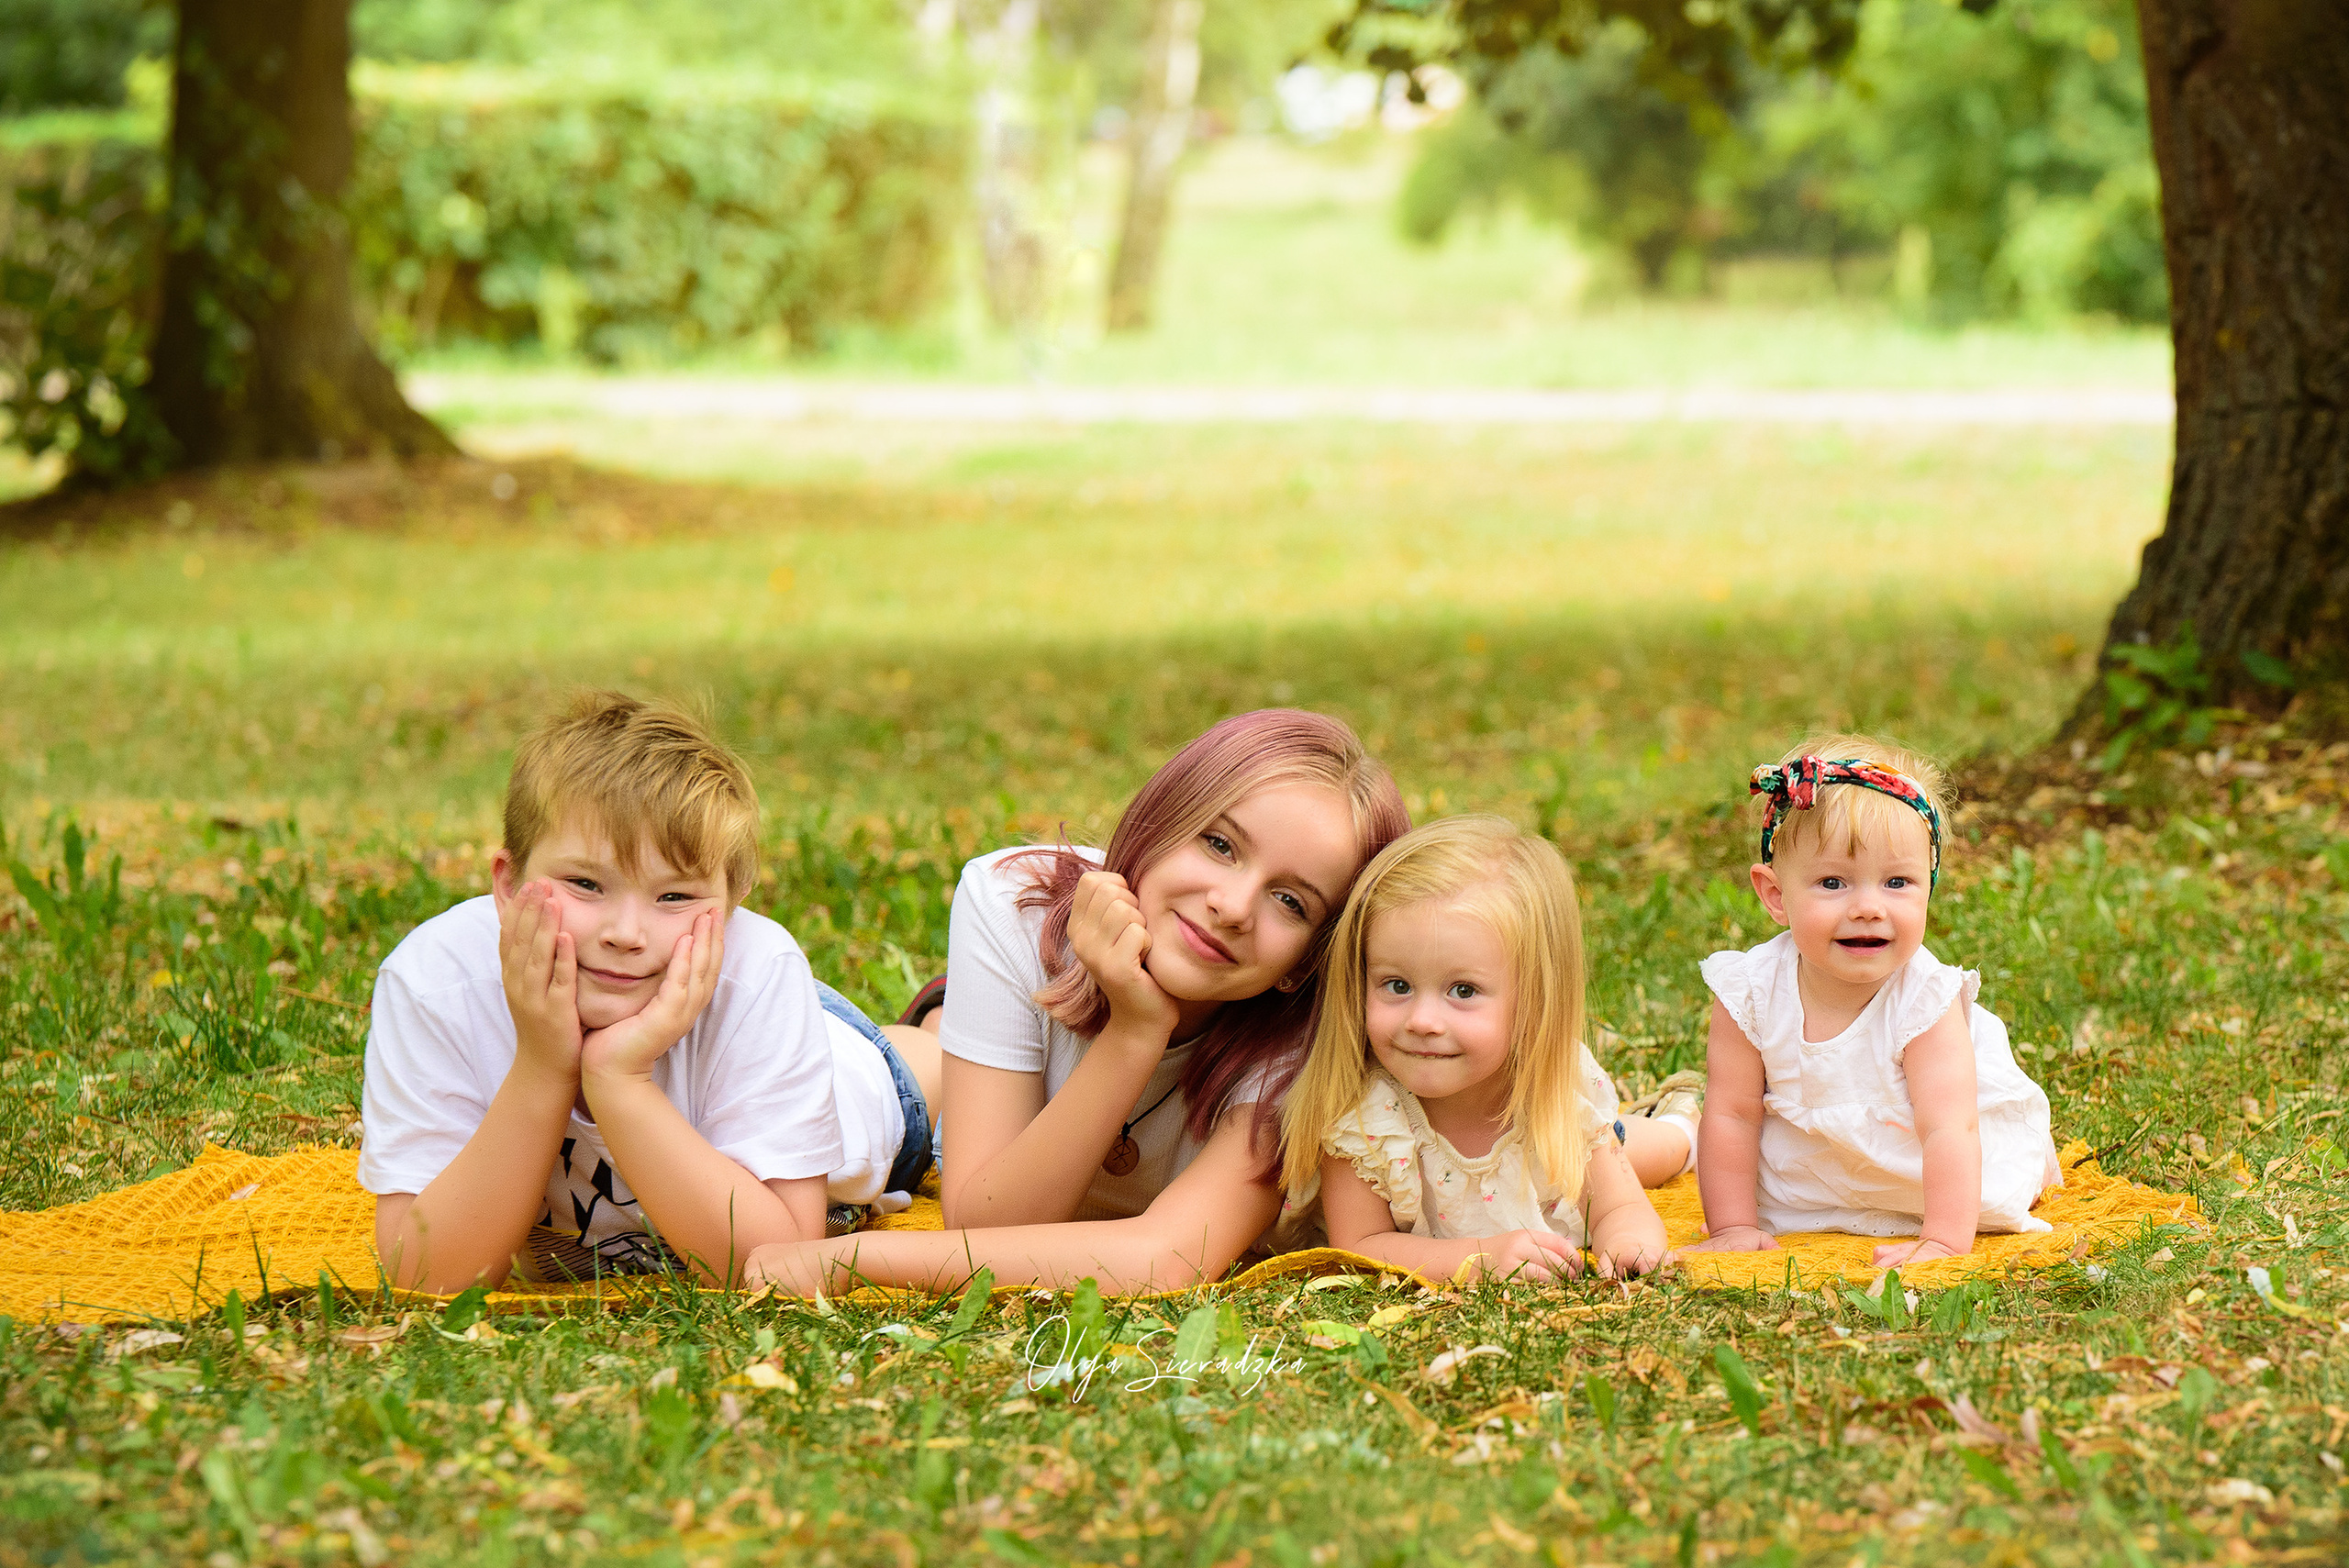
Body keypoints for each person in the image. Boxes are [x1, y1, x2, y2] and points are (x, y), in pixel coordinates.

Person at [746, 708, 1409, 1296]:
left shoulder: (1308, 1052)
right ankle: (947, 1022)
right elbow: (983, 1223)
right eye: (1220, 844)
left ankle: (948, 1023)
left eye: (1290, 901)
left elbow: (1165, 1258)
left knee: (936, 1077)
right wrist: (1131, 1034)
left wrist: (855, 1260)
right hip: (1020, 1035)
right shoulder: (1013, 901)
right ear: (1161, 821)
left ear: (1309, 962)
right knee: (905, 1083)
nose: (1232, 906)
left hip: (1035, 1104)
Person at [359, 692, 939, 1292]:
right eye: (586, 884)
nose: (626, 933)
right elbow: (423, 1273)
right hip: (685, 987)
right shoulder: (434, 983)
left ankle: (936, 1019)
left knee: (927, 1062)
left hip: (837, 1059)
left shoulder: (759, 974)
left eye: (674, 896)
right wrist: (542, 1066)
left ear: (732, 904)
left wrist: (619, 1078)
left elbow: (779, 1261)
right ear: (508, 886)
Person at [1682, 735, 2061, 1269]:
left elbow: (1949, 1128)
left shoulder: (1924, 1000)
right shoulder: (1750, 990)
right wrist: (1734, 1226)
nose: (1868, 907)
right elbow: (1732, 1114)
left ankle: (2018, 1170)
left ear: (1929, 888)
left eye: (1896, 882)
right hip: (1812, 1176)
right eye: (1832, 882)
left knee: (1993, 1183)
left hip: (1931, 1173)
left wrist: (1943, 1242)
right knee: (1736, 1153)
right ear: (1776, 896)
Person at [1280, 817, 1669, 1282]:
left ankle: (1683, 1130)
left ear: (1535, 1000)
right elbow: (1360, 1245)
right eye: (1397, 985)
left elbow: (1620, 1208)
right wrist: (1479, 1259)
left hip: (1563, 1134)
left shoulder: (1557, 1088)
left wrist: (1629, 1245)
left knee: (1655, 1150)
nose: (1422, 1021)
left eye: (1463, 991)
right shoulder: (1364, 1120)